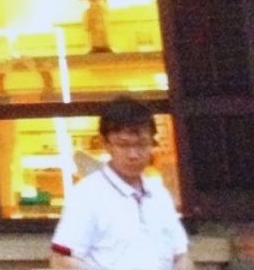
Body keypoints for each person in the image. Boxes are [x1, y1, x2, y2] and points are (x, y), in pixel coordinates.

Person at [50, 98, 192, 270]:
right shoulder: (87, 196)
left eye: (141, 144)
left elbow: (181, 254)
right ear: (106, 144)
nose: (133, 154)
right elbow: (62, 259)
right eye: (123, 145)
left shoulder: (159, 194)